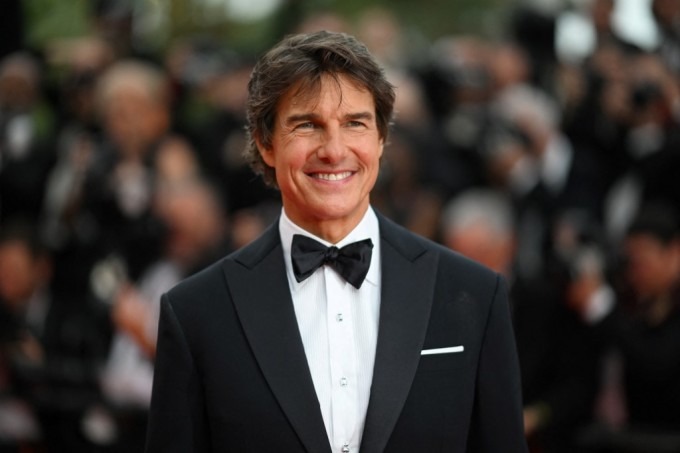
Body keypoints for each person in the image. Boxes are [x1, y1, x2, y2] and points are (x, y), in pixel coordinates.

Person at [145, 30, 527, 453]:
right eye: (307, 125)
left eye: (354, 124)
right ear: (266, 143)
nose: (333, 150)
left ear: (380, 139)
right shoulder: (196, 313)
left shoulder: (473, 295)